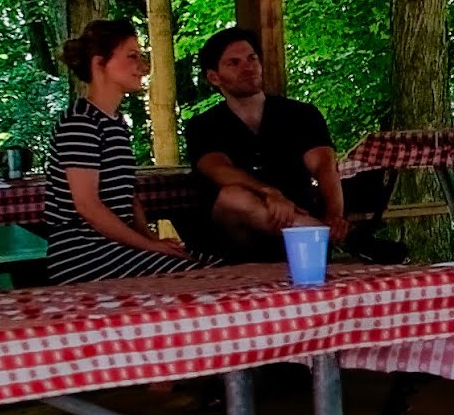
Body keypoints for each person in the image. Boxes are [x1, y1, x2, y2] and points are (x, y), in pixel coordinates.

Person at [39, 16, 201, 279]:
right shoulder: (80, 122)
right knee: (194, 275)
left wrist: (151, 239)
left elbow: (127, 194)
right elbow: (88, 206)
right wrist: (150, 246)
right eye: (131, 56)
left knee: (209, 265)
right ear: (99, 63)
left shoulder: (116, 122)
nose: (142, 67)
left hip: (117, 250)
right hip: (82, 256)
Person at [180, 24, 344, 262]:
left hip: (297, 229)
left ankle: (319, 233)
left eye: (252, 58)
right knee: (232, 197)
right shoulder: (203, 125)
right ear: (214, 77)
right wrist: (269, 193)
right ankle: (321, 235)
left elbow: (324, 164)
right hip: (235, 242)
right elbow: (217, 169)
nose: (247, 68)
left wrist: (335, 214)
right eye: (234, 63)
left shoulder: (301, 114)